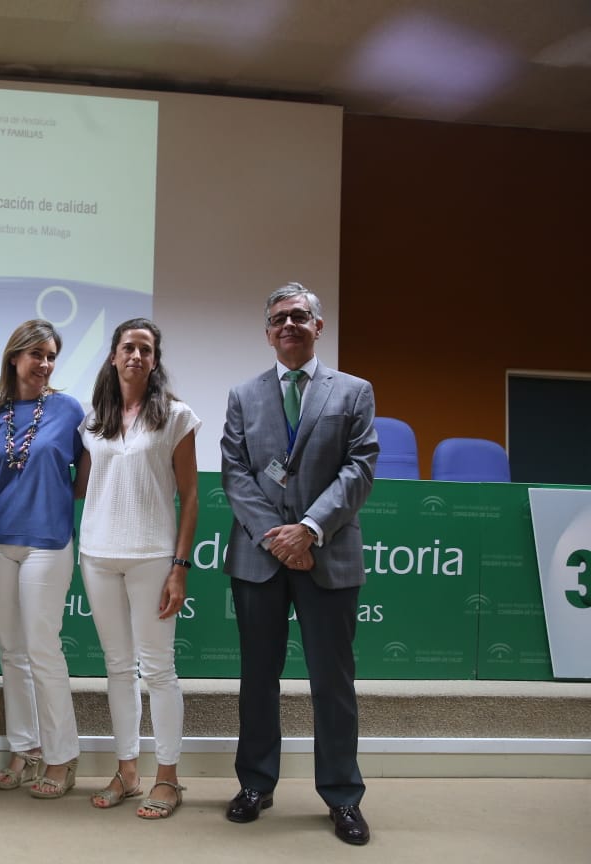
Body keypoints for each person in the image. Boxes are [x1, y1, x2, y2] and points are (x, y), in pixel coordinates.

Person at [219, 282, 378, 845]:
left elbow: (359, 469)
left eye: (299, 316)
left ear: (318, 326)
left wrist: (308, 530)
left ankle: (342, 796)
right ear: (267, 333)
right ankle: (256, 785)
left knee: (332, 682)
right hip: (260, 558)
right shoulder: (243, 395)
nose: (289, 324)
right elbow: (235, 472)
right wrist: (276, 536)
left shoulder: (354, 392)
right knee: (257, 679)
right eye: (279, 318)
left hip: (327, 554)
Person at [75, 318, 199, 819]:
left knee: (159, 670)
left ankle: (167, 777)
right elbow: (84, 487)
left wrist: (179, 567)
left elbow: (190, 497)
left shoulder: (176, 415)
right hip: (97, 555)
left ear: (154, 360)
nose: (137, 356)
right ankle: (127, 771)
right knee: (118, 669)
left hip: (152, 556)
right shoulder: (93, 421)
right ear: (113, 356)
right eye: (129, 347)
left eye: (146, 349)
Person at [0, 319, 84, 798]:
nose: (45, 364)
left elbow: (90, 462)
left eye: (52, 355)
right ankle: (26, 749)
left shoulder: (69, 409)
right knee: (11, 651)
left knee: (42, 648)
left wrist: (65, 495)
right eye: (36, 355)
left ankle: (62, 757)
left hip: (48, 542)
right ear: (14, 357)